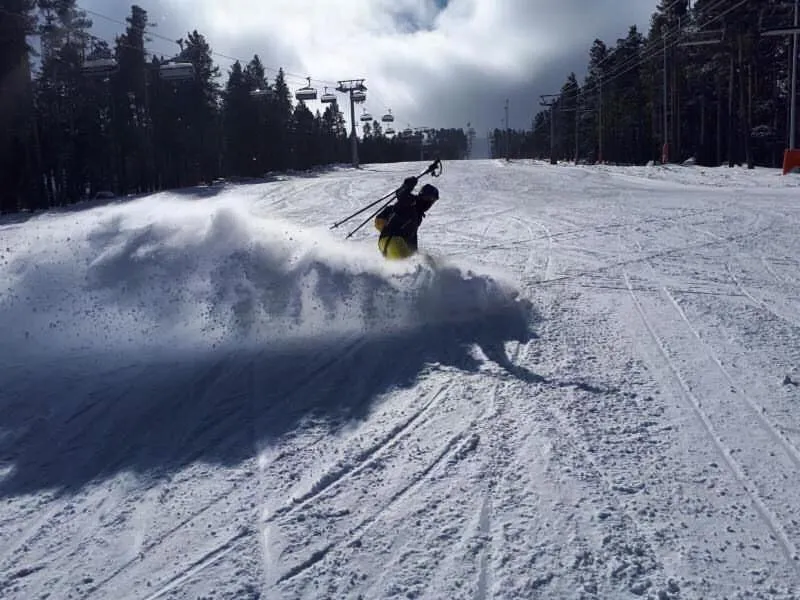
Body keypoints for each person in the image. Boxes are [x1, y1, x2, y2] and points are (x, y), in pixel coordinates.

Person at [374, 176, 439, 259]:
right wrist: (407, 185)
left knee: (415, 263)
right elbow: (402, 195)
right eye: (429, 198)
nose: (430, 202)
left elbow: (412, 238)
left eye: (433, 200)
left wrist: (416, 255)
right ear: (422, 195)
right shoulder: (412, 202)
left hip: (386, 243)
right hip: (394, 241)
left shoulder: (417, 214)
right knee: (411, 266)